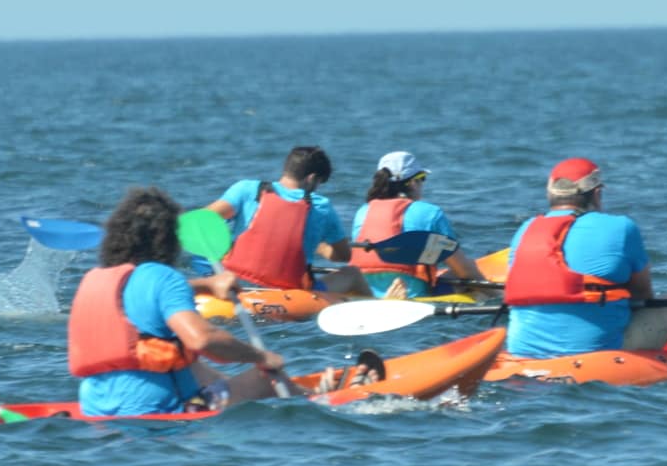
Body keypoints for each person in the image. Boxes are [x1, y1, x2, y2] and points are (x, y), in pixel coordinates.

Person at [70, 187, 289, 415]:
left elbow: (148, 297)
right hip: (162, 409)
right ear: (167, 238)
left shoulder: (95, 280)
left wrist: (207, 285)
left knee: (183, 355)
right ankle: (314, 397)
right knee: (267, 377)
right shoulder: (163, 277)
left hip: (96, 412)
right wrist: (261, 356)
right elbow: (202, 340)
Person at [501, 158, 667, 358]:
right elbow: (642, 295)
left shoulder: (524, 230)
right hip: (596, 351)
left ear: (551, 194)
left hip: (522, 349)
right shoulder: (620, 227)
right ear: (596, 194)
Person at [203, 146, 363, 295]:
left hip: (235, 284)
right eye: (318, 184)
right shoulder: (322, 206)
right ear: (312, 179)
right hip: (290, 292)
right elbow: (342, 255)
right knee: (353, 274)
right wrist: (320, 247)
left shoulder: (247, 189)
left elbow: (204, 219)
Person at [349, 150, 484, 298]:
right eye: (422, 178)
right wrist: (496, 294)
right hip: (412, 296)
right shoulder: (430, 213)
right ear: (413, 183)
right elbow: (463, 270)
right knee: (469, 271)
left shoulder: (362, 212)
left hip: (364, 296)